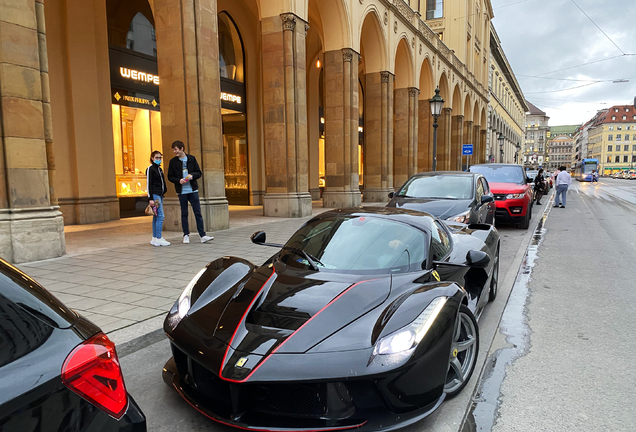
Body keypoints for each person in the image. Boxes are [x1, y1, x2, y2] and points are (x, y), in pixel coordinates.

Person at [168, 141, 214, 244]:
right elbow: (170, 176)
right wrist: (178, 180)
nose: (174, 151)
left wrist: (192, 176)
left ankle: (203, 235)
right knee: (184, 213)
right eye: (174, 150)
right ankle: (186, 235)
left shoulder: (191, 159)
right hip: (182, 191)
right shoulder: (173, 162)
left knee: (197, 212)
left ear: (182, 148)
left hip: (193, 190)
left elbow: (199, 172)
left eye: (176, 149)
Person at [147, 151, 170, 246]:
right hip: (155, 195)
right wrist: (150, 198)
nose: (159, 159)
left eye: (160, 158)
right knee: (160, 215)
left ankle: (155, 237)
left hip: (160, 194)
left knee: (156, 216)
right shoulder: (150, 169)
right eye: (157, 158)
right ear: (152, 158)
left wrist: (164, 191)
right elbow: (149, 184)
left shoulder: (159, 169)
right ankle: (159, 237)